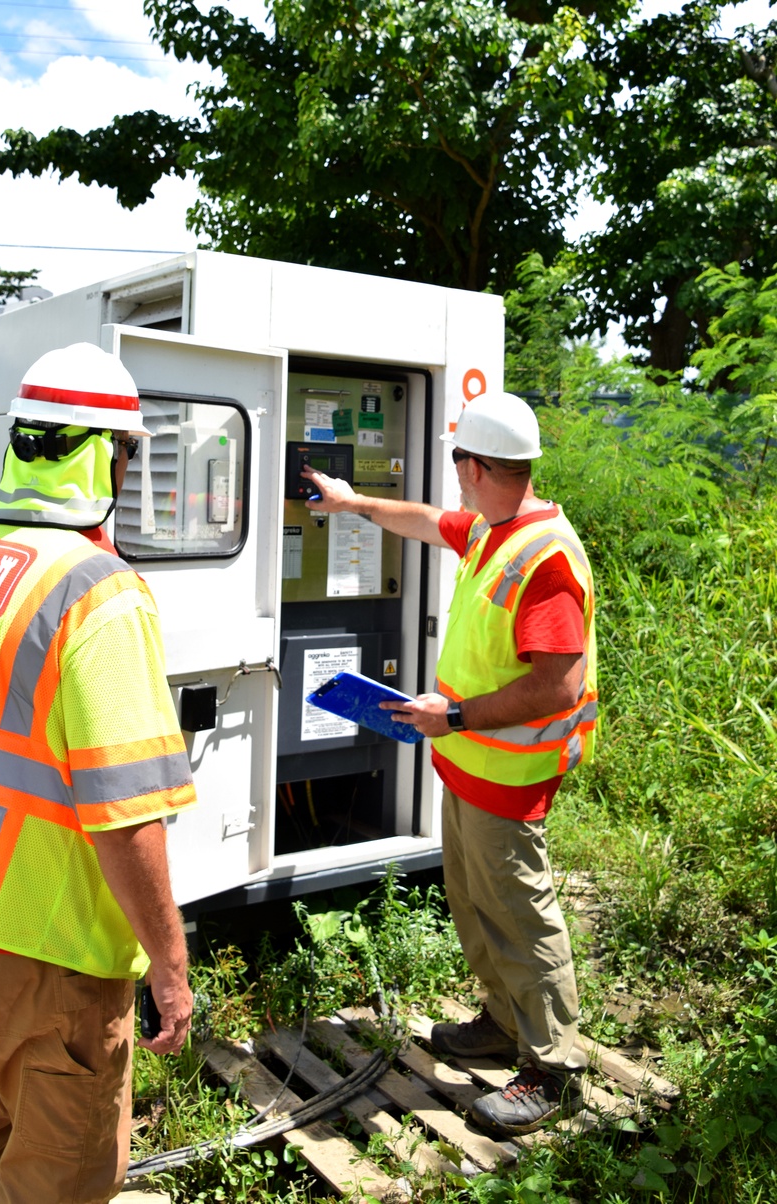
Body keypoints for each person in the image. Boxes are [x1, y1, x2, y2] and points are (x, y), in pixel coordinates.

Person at [0, 343, 197, 1203]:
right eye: (127, 454)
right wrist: (170, 966)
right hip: (47, 947)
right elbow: (127, 812)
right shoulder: (100, 593)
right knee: (59, 1175)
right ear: (105, 456)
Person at [302, 391, 597, 1137]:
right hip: (468, 767)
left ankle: (555, 1068)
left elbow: (556, 684)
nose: (453, 475)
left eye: (459, 459)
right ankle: (504, 1022)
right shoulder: (498, 530)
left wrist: (454, 715)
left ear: (479, 465)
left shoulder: (545, 557)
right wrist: (351, 501)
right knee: (474, 905)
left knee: (520, 916)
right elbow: (428, 522)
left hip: (507, 774)